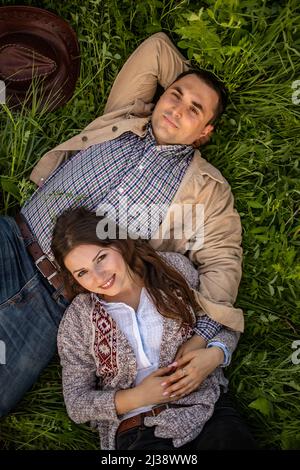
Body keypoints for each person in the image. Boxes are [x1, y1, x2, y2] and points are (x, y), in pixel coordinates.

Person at [0, 32, 244, 442]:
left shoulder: (206, 189)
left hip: (63, 303)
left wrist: (203, 335)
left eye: (194, 110)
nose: (177, 108)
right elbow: (156, 48)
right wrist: (186, 86)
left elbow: (222, 261)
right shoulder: (126, 114)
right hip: (13, 239)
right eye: (176, 95)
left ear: (206, 132)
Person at [53, 207, 256, 450]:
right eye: (82, 272)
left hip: (207, 410)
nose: (99, 277)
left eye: (101, 258)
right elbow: (77, 403)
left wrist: (215, 355)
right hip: (137, 431)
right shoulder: (78, 319)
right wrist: (138, 397)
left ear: (117, 243)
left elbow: (221, 320)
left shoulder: (170, 270)